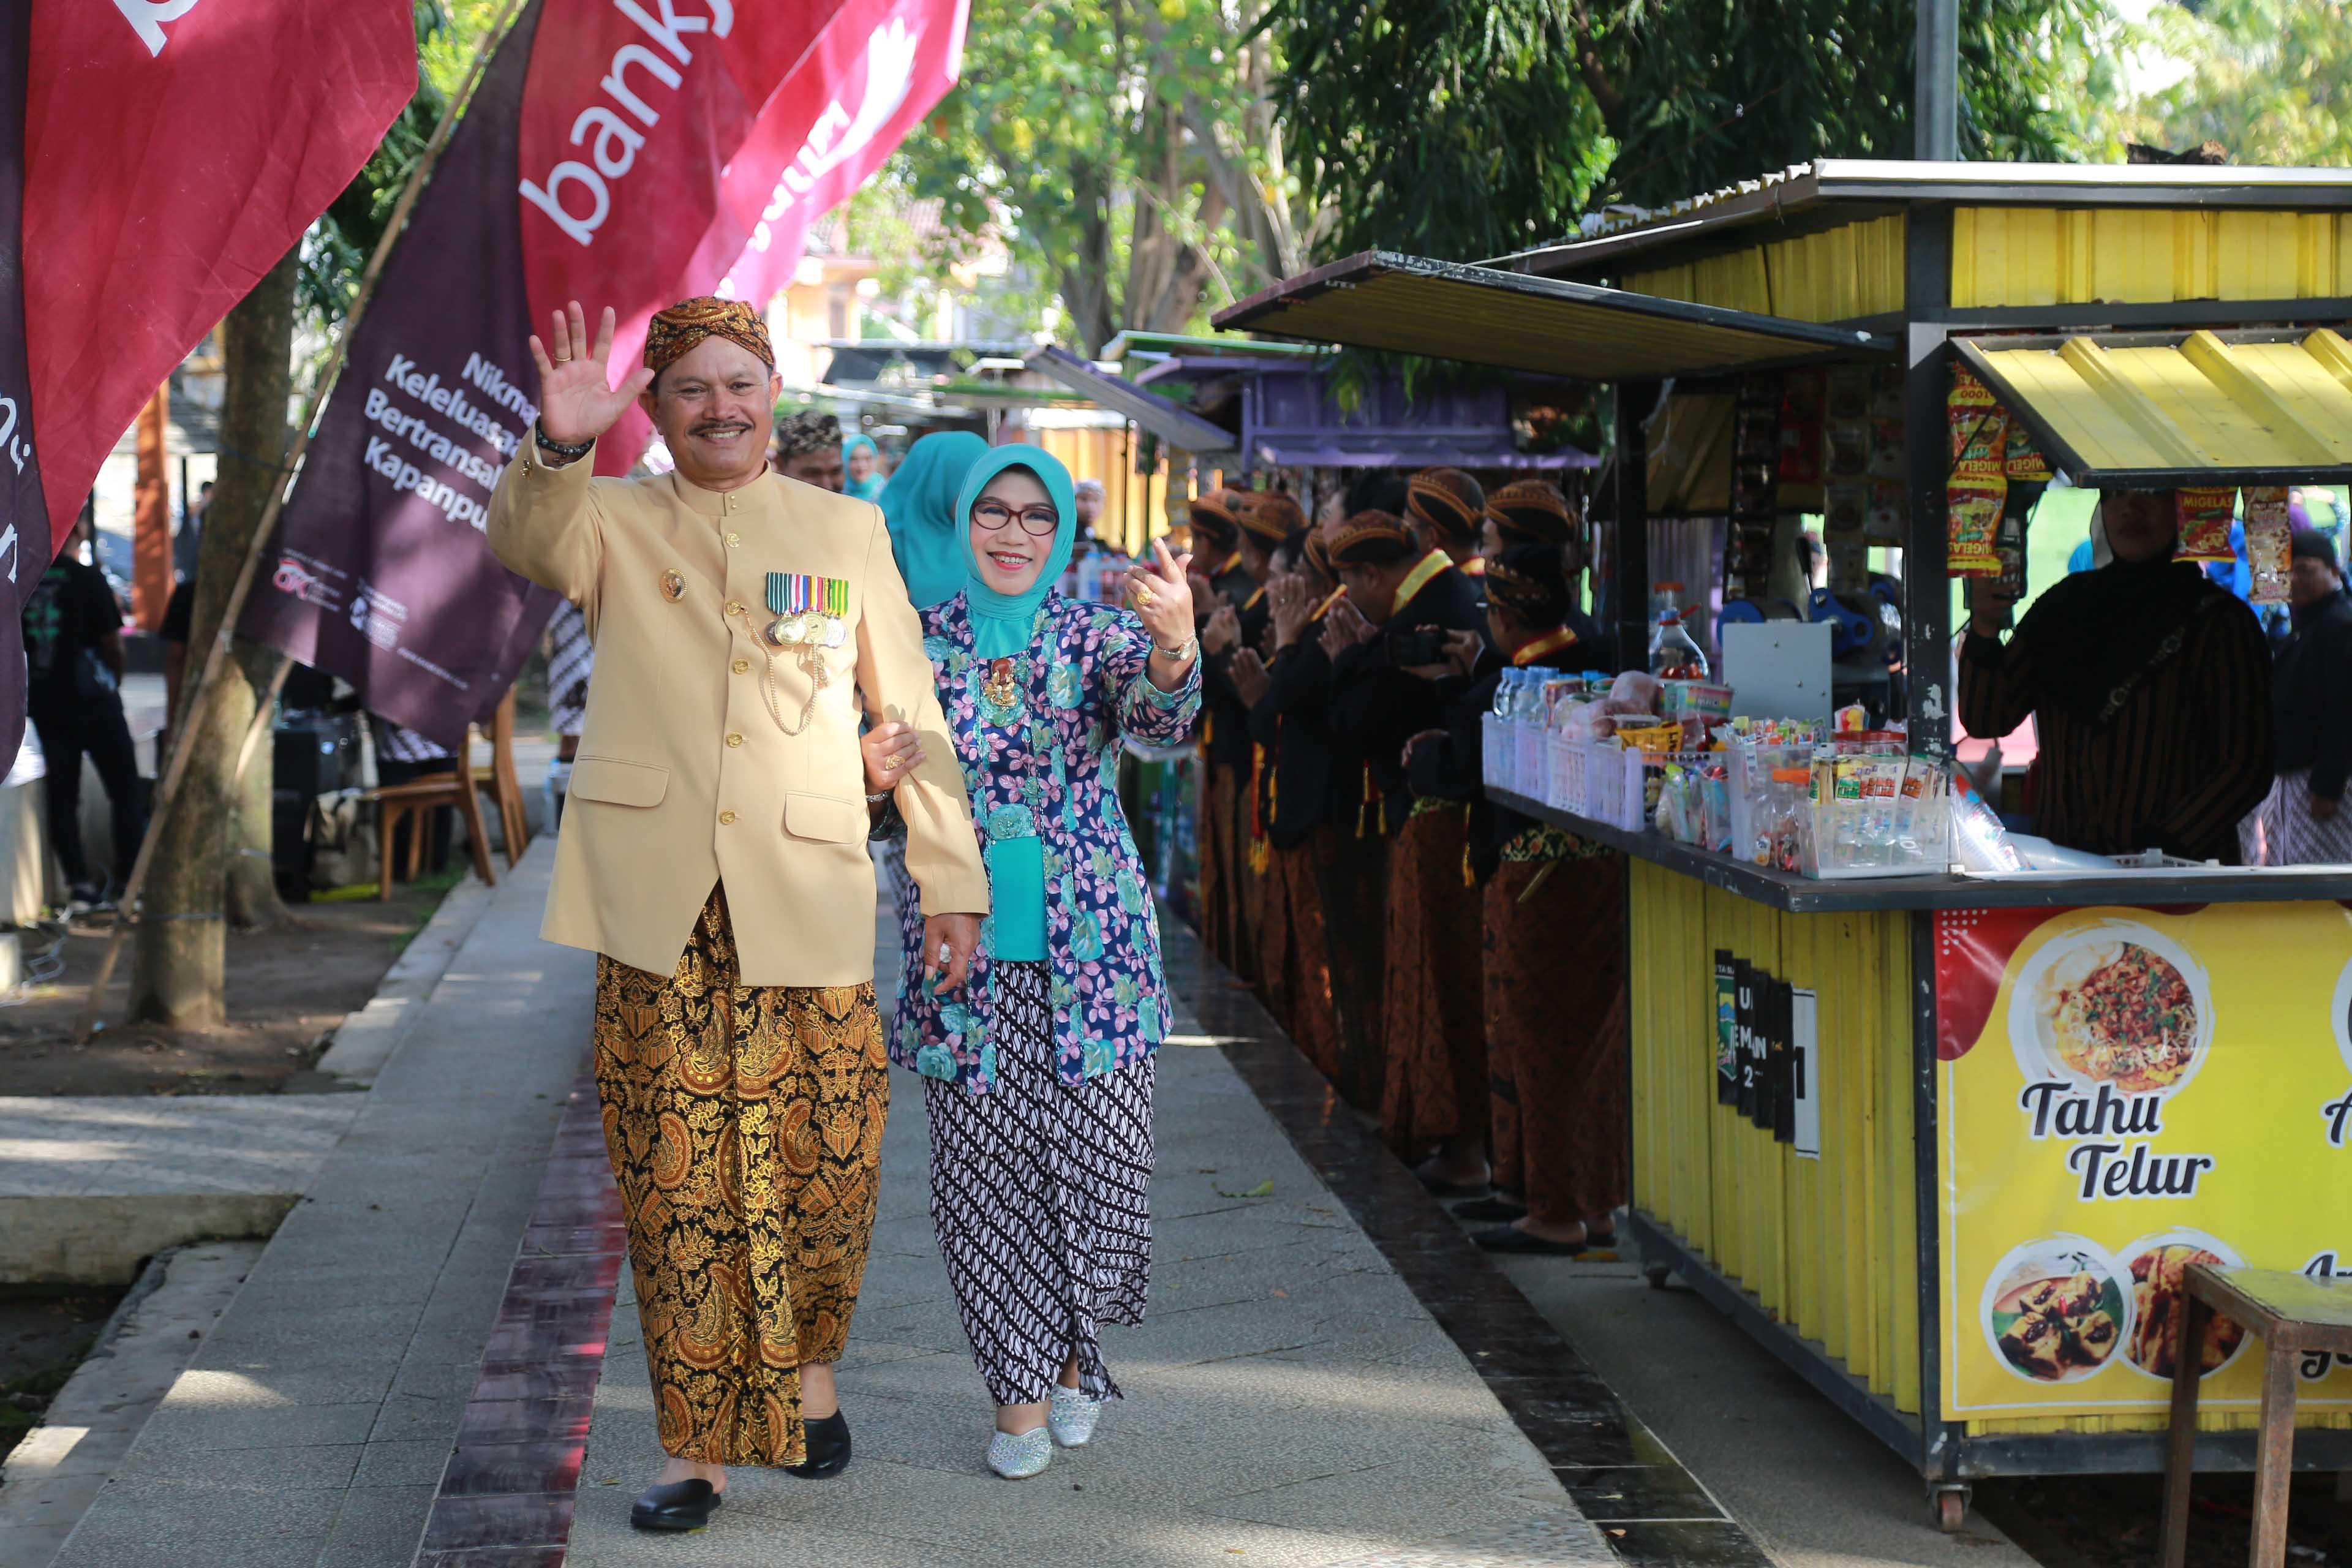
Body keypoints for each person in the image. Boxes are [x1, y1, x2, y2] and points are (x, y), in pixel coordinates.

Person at [488, 298, 988, 1534]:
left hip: (806, 894)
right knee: (679, 1186)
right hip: (659, 913)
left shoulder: (845, 528)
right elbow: (526, 542)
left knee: (828, 1171)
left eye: (740, 383)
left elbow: (909, 711)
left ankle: (810, 1376)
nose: (720, 406)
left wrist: (950, 872)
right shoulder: (607, 517)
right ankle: (698, 1447)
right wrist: (559, 446)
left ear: (773, 393)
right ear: (654, 410)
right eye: (691, 388)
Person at [861, 443, 1199, 1480]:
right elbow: (878, 793)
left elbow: (1155, 722)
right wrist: (866, 780)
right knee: (984, 1186)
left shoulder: (1095, 634)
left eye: (1037, 517)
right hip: (962, 959)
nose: (1015, 534)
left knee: (1103, 1175)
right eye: (995, 515)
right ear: (964, 527)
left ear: (1062, 533)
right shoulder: (916, 647)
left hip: (1093, 955)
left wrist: (1175, 652)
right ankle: (1015, 1396)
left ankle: (1070, 1356)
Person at [1404, 545, 1627, 1253]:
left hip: (1540, 882)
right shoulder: (1583, 653)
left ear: (1503, 616)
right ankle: (1577, 1202)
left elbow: (1473, 764)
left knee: (1541, 1048)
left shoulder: (1530, 677)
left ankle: (1556, 1209)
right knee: (1577, 1050)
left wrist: (1431, 757)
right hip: (1578, 879)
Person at [1961, 489, 2272, 863]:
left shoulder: (2222, 624)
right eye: (2114, 495)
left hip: (2184, 886)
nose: (2130, 508)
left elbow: (2247, 765)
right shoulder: (2064, 608)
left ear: (2180, 507)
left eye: (2150, 494)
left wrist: (2162, 852)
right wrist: (1984, 627)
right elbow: (1987, 718)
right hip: (2068, 873)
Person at [1322, 508, 1490, 1186]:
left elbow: (1354, 723)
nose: (1345, 603)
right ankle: (1460, 1146)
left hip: (1442, 829)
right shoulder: (1428, 603)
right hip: (1428, 823)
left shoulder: (1424, 610)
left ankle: (1464, 1148)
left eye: (1349, 585)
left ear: (1370, 573)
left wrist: (1347, 659)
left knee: (1443, 987)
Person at [1235, 528, 1347, 1084]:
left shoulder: (1327, 628)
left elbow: (1282, 714)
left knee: (1323, 955)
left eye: (1287, 574)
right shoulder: (1308, 626)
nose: (1274, 587)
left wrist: (1284, 644)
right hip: (1292, 809)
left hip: (1317, 813)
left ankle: (1331, 1066)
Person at [22, 508, 144, 909]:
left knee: (63, 795)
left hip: (47, 703)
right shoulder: (88, 578)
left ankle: (79, 887)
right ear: (77, 530)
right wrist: (113, 681)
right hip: (96, 705)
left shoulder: (26, 581)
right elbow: (114, 644)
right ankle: (130, 883)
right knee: (125, 791)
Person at [1185, 490, 1257, 979]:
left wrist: (1207, 618)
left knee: (1236, 867)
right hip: (1218, 747)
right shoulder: (1219, 583)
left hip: (1239, 749)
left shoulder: (1237, 590)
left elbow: (1230, 677)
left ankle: (1236, 963)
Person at [2248, 530, 2352, 865]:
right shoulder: (2309, 626)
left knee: (2320, 884)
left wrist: (2327, 787)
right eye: (2286, 571)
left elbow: (2344, 710)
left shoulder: (2340, 627)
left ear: (2333, 572)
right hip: (2298, 782)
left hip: (2323, 788)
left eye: (2305, 569)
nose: (2294, 579)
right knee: (2290, 871)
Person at [878, 431, 991, 612]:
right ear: (936, 481)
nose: (981, 499)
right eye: (968, 486)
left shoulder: (989, 538)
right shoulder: (879, 540)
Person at [1406, 467, 1487, 578]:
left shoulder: (1443, 592)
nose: (1405, 536)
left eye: (1409, 528)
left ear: (1432, 537)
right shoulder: (1494, 582)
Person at [772, 409, 846, 490]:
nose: (827, 486)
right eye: (812, 473)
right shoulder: (763, 502)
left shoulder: (854, 502)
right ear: (780, 465)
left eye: (836, 472)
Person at [842, 431, 886, 501]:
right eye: (854, 459)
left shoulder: (886, 493)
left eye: (868, 458)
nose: (862, 466)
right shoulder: (838, 493)